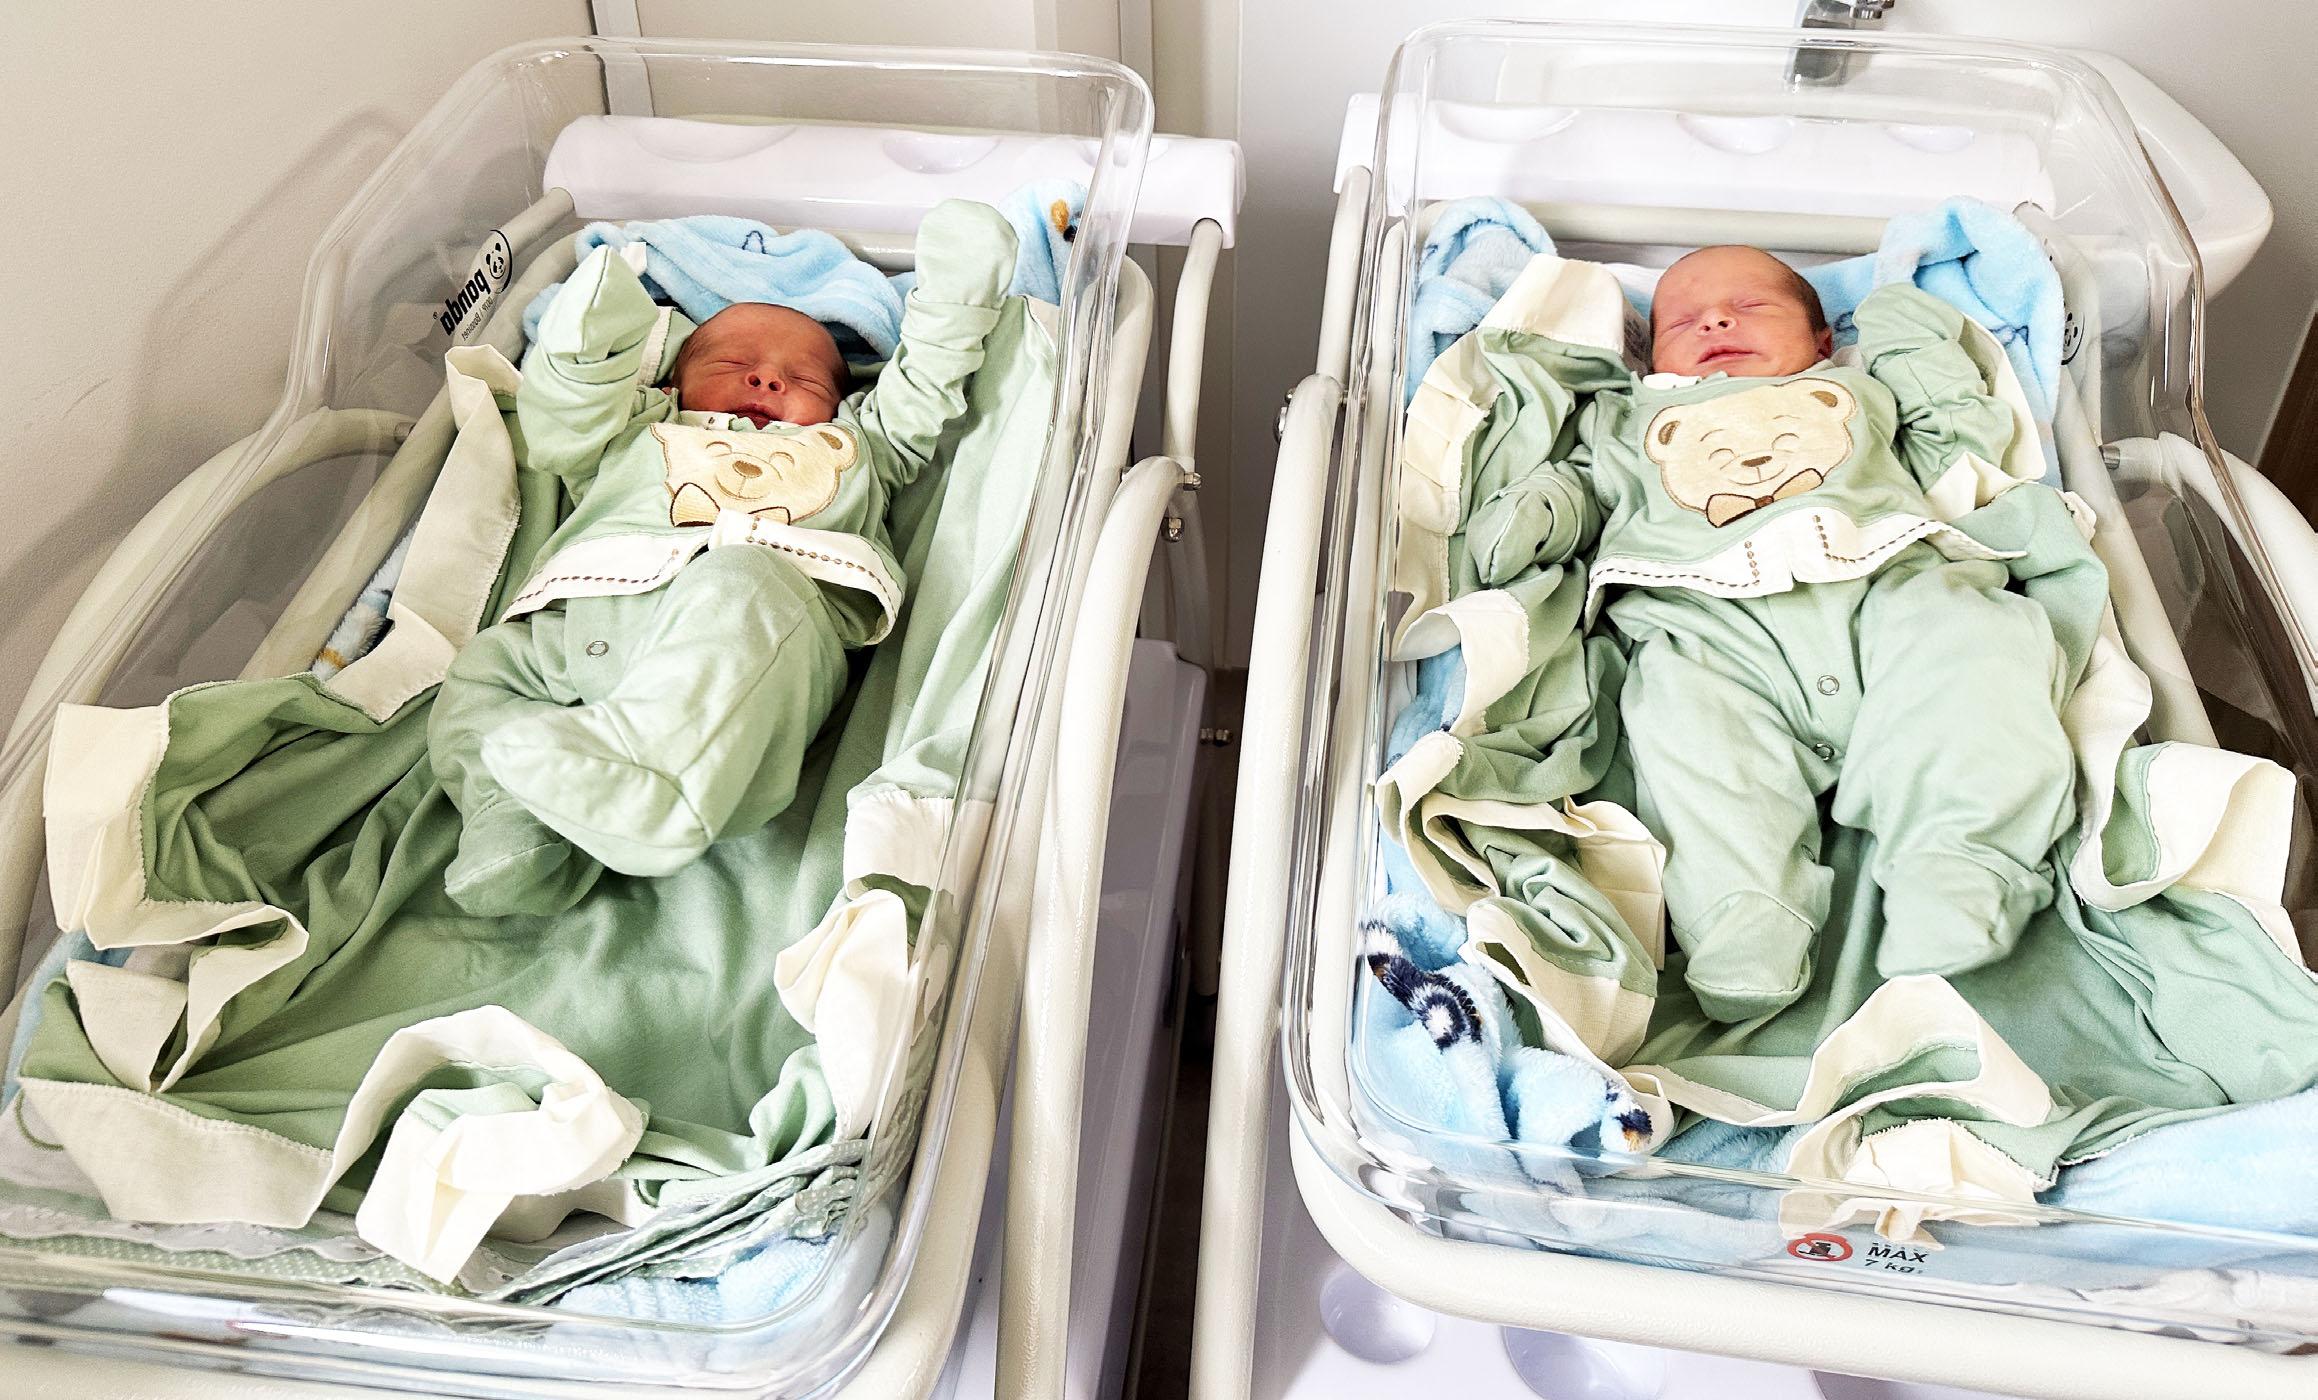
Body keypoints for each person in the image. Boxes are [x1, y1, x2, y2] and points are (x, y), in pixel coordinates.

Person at [1465, 245, 2078, 1021]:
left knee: (1975, 650)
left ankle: (1955, 867)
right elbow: (1583, 484)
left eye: (1751, 307)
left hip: (1887, 590)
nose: (1716, 322)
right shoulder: (1627, 418)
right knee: (1691, 742)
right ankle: (1745, 920)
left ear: (1823, 341)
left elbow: (1957, 434)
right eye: (1683, 321)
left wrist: (1905, 328)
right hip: (1710, 634)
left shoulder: (1857, 393)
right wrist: (1540, 511)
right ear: (1649, 359)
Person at [429, 199, 1017, 917]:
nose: (768, 380)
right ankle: (516, 828)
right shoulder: (637, 430)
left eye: (806, 379)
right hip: (576, 624)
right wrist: (591, 349)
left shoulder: (862, 445)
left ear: (842, 402)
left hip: (756, 612)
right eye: (735, 364)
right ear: (670, 385)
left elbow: (925, 384)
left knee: (740, 589)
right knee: (480, 678)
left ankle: (664, 767)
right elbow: (563, 421)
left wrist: (956, 294)